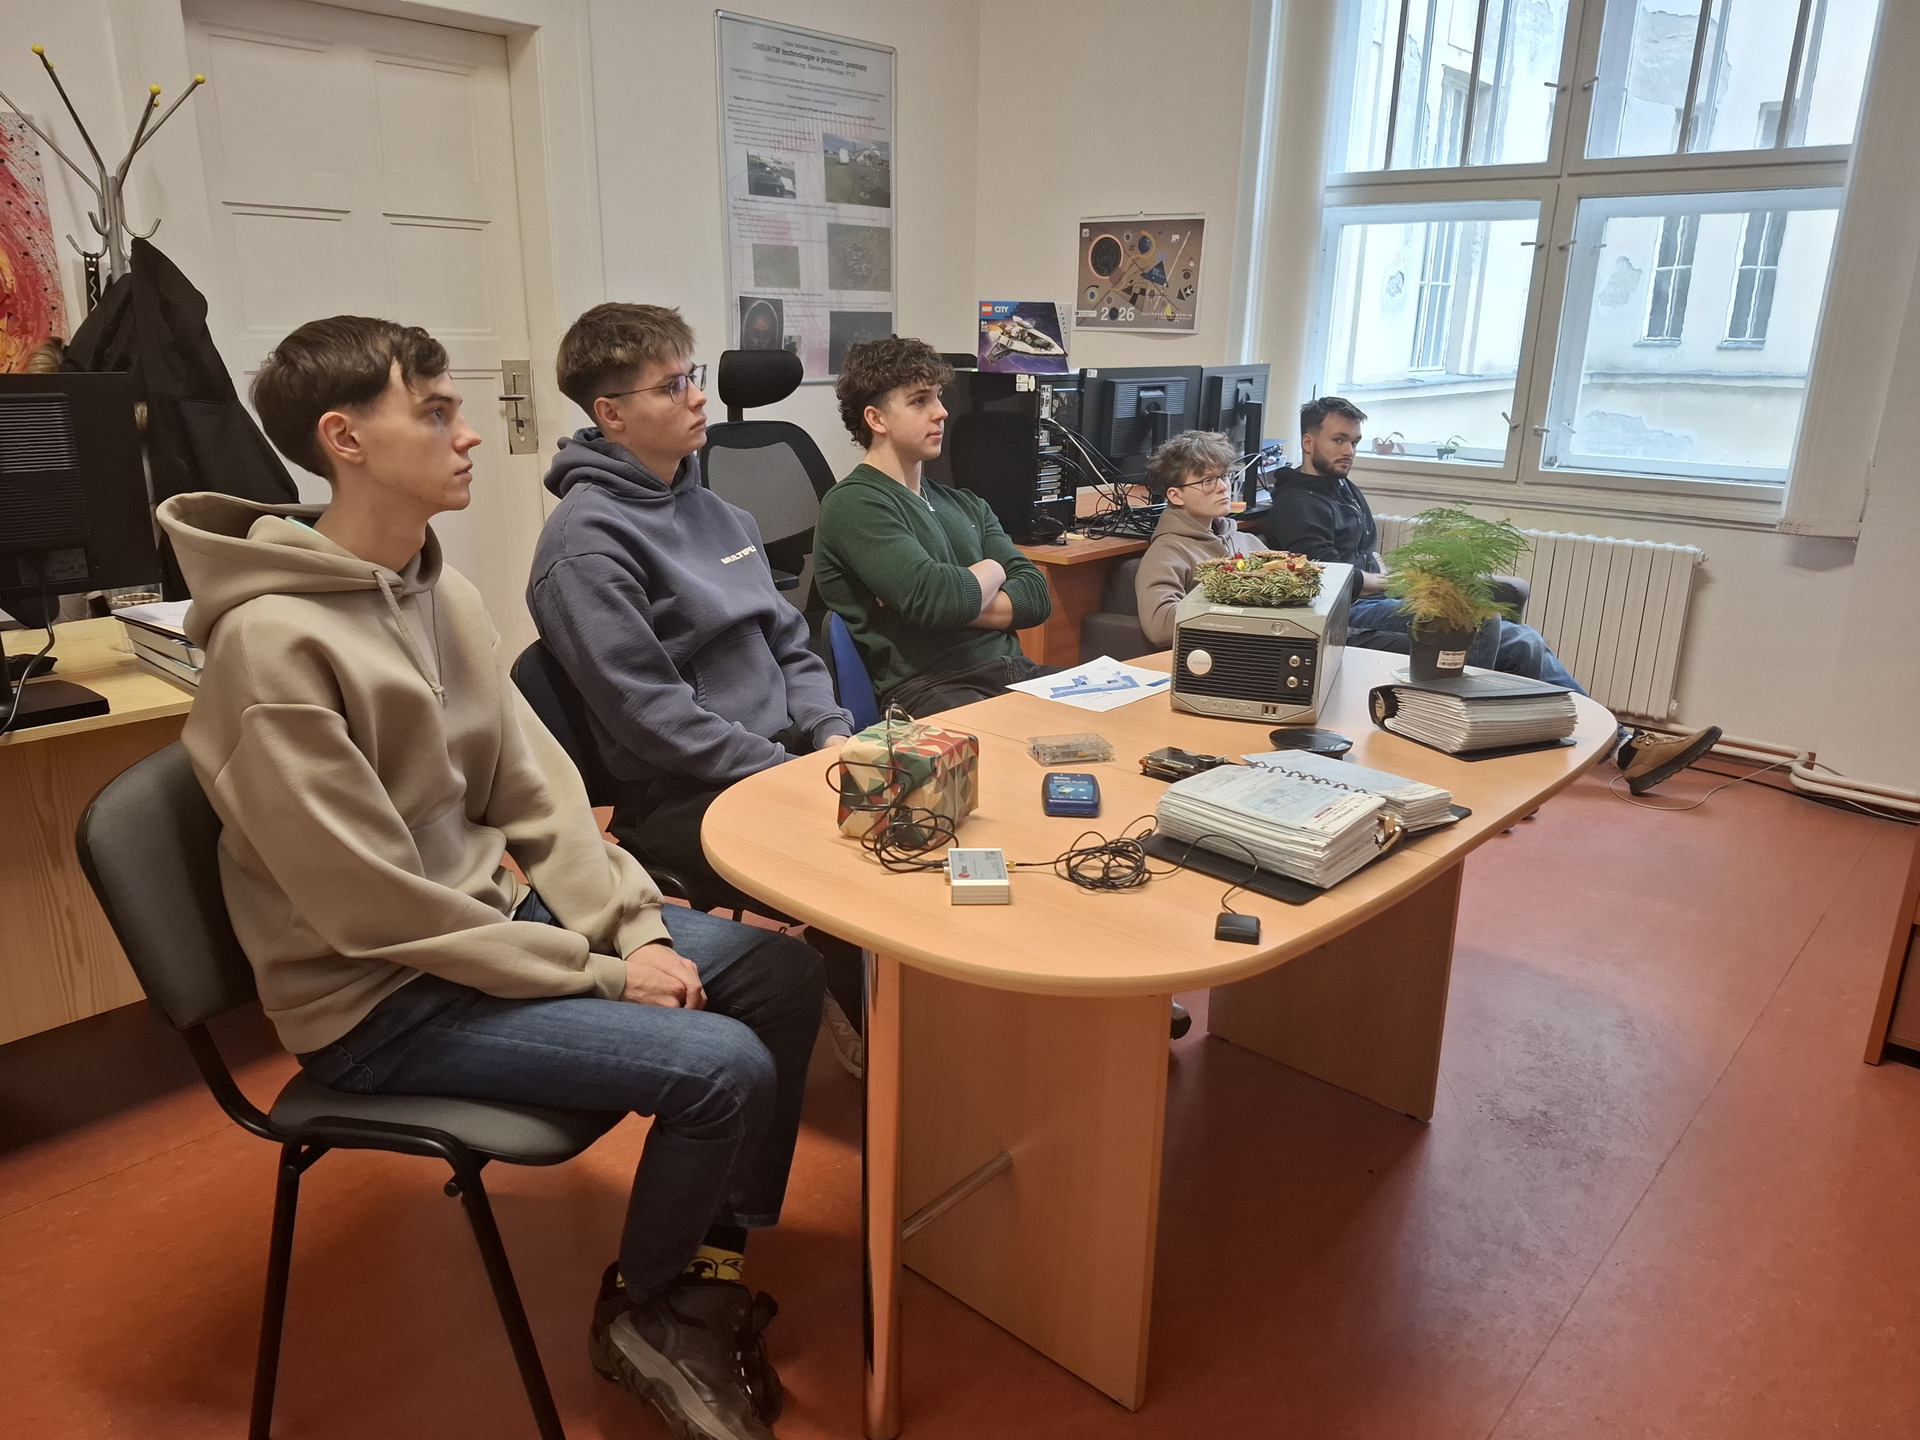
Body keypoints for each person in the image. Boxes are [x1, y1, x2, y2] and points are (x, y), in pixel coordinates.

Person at [157, 315, 820, 1440]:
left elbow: (540, 792)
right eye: (436, 413)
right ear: (344, 439)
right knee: (720, 1067)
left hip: (484, 933)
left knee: (778, 980)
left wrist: (633, 925)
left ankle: (702, 1271)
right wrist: (603, 975)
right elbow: (373, 909)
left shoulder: (437, 589)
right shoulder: (271, 649)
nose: (470, 435)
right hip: (380, 1003)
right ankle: (645, 1311)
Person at [528, 301, 865, 1072]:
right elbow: (653, 717)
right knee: (875, 855)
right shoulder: (584, 547)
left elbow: (790, 641)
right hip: (685, 792)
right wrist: (788, 771)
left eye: (694, 376)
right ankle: (854, 991)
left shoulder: (720, 513)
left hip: (782, 759)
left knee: (925, 808)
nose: (697, 397)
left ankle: (916, 1013)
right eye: (672, 385)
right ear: (611, 414)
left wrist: (829, 732)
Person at [1264, 396, 1722, 794]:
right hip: (1349, 616)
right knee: (1475, 620)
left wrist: (1399, 575)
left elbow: (1366, 557)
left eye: (1355, 441)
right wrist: (1401, 583)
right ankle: (1456, 740)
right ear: (1309, 442)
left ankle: (1624, 747)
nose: (1349, 451)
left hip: (1375, 599)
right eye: (1338, 440)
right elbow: (1329, 579)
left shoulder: (1343, 488)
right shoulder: (1298, 502)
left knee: (1522, 640)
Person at [812, 336, 1057, 716]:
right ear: (876, 419)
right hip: (931, 688)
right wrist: (994, 571)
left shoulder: (965, 503)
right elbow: (937, 600)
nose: (941, 412)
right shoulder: (854, 504)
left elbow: (1036, 596)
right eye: (919, 400)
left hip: (1015, 673)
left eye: (939, 397)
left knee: (1124, 717)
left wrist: (954, 597)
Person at [1134, 430, 1264, 647]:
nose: (1223, 487)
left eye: (1224, 476)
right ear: (1176, 495)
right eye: (1207, 481)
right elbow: (1159, 625)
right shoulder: (1167, 553)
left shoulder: (1247, 541)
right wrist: (1237, 602)